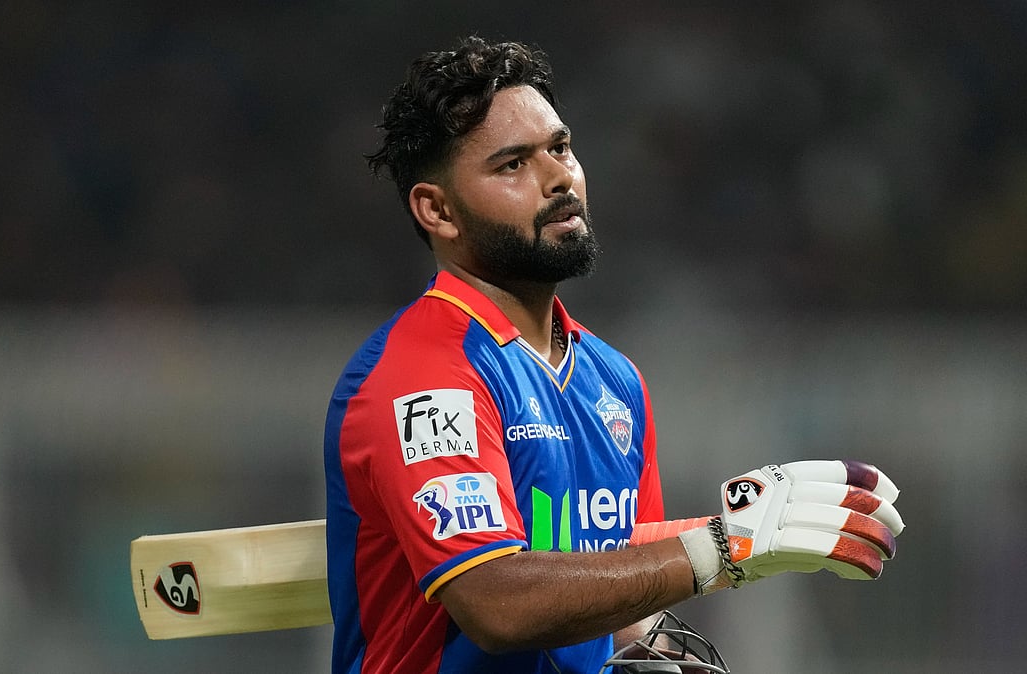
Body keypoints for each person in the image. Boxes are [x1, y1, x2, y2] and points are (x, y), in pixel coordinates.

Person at [322, 36, 903, 673]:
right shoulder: (424, 377)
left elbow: (620, 594)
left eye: (560, 148)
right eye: (512, 165)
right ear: (437, 209)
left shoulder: (613, 379)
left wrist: (671, 642)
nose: (557, 178)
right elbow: (494, 602)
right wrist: (725, 545)